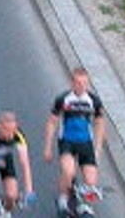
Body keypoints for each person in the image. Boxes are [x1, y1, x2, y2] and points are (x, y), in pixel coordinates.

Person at [44, 68, 105, 213]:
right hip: (67, 142)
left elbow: (100, 123)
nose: (81, 86)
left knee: (91, 182)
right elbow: (52, 122)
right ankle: (63, 198)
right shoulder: (63, 99)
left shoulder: (94, 101)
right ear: (72, 83)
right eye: (78, 83)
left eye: (84, 83)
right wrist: (47, 147)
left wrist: (98, 147)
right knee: (69, 172)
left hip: (86, 143)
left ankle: (84, 204)